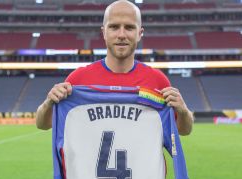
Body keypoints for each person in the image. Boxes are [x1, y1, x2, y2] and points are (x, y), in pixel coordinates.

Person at [36, 0, 194, 135]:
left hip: (146, 172)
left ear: (140, 33)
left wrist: (183, 110)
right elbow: (42, 124)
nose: (121, 34)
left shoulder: (157, 80)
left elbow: (184, 130)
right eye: (114, 27)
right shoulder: (78, 79)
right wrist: (49, 102)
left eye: (129, 27)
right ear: (104, 32)